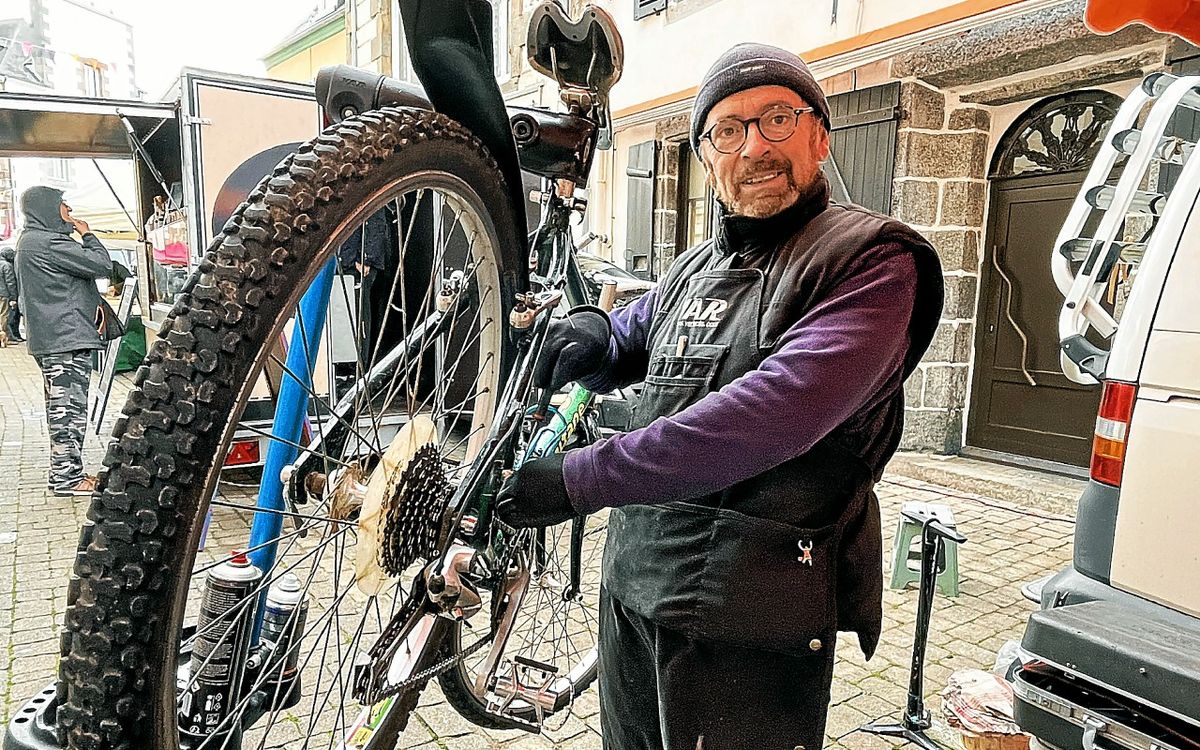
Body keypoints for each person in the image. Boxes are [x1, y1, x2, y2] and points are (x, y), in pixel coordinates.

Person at [497, 43, 945, 750]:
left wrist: (585, 476)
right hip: (638, 586)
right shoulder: (694, 267)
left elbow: (773, 414)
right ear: (707, 157)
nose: (753, 148)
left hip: (752, 616)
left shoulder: (872, 260)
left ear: (819, 136)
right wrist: (586, 337)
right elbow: (628, 338)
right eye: (728, 131)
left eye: (776, 119)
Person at [15, 186, 114, 497]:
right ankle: (68, 479)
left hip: (52, 337)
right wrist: (88, 235)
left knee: (60, 409)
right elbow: (101, 265)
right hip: (65, 338)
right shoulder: (50, 243)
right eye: (62, 204)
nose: (69, 208)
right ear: (47, 208)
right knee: (68, 411)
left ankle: (63, 473)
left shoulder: (30, 242)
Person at [0, 244, 17, 346]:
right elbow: (10, 282)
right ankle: (4, 337)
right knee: (4, 315)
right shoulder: (6, 265)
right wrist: (13, 297)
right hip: (3, 294)